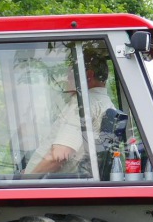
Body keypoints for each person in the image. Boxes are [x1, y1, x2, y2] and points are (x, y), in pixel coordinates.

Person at [25, 45, 118, 177]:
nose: (66, 77)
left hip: (45, 186)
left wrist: (26, 181)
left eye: (70, 71)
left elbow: (59, 155)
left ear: (88, 75)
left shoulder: (83, 104)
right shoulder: (105, 102)